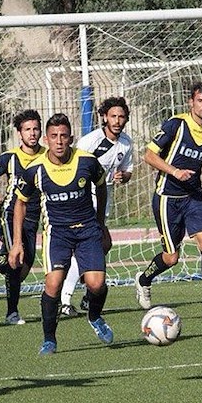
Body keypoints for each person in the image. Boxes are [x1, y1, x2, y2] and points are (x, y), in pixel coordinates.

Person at [8, 113, 113, 355]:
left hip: (87, 230)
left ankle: (95, 316)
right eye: (54, 136)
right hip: (57, 233)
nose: (59, 141)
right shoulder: (35, 169)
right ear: (46, 139)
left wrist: (101, 225)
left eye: (63, 136)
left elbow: (101, 186)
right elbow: (20, 203)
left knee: (96, 285)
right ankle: (49, 340)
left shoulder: (87, 161)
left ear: (71, 138)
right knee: (53, 284)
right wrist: (17, 243)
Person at [134, 82, 202, 322]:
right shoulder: (176, 125)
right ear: (191, 102)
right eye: (200, 101)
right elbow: (149, 155)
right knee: (171, 257)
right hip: (167, 198)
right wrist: (175, 171)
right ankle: (144, 279)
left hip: (194, 197)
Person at [60, 97, 134, 317]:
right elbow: (70, 163)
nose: (117, 121)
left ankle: (87, 295)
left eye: (121, 117)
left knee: (104, 244)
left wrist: (125, 176)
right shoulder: (91, 141)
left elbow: (127, 169)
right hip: (84, 200)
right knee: (89, 246)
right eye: (113, 116)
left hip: (103, 199)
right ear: (104, 117)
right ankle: (66, 299)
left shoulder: (126, 143)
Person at [0, 110, 45, 325]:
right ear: (20, 134)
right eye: (27, 129)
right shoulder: (9, 158)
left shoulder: (47, 156)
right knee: (15, 261)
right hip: (9, 214)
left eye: (35, 129)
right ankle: (12, 313)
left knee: (21, 269)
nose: (32, 133)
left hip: (33, 218)